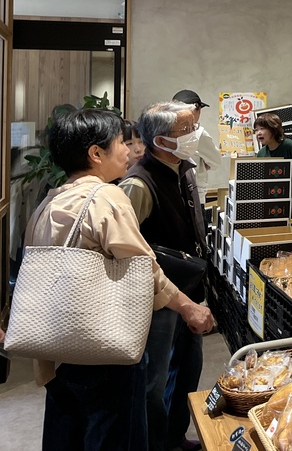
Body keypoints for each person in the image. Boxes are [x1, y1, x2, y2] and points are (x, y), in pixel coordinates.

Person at [22, 108, 212, 451]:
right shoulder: (107, 198)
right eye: (121, 143)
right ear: (96, 154)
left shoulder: (48, 202)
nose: (130, 150)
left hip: (55, 352)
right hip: (103, 351)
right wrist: (189, 308)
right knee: (114, 437)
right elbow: (145, 268)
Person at [119, 102, 213, 451]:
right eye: (186, 130)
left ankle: (174, 438)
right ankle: (155, 444)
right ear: (160, 141)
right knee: (153, 380)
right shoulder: (138, 184)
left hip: (190, 288)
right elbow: (126, 250)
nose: (195, 134)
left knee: (188, 367)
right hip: (158, 298)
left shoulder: (183, 168)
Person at [173, 89, 223, 202]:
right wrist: (203, 165)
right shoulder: (198, 134)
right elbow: (216, 162)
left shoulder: (165, 131)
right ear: (195, 109)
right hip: (194, 194)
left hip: (170, 193)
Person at [254, 112, 292, 213]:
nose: (258, 133)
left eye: (262, 128)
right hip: (271, 205)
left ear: (273, 129)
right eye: (256, 130)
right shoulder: (261, 153)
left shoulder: (290, 146)